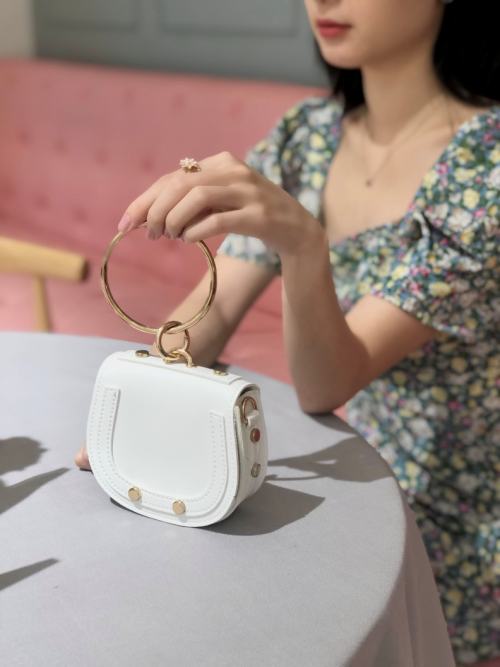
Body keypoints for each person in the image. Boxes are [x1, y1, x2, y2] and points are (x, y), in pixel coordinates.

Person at [76, 0, 500, 663]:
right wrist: (137, 400)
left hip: (455, 520)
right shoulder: (308, 135)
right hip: (353, 469)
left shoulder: (487, 166)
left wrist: (304, 244)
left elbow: (328, 382)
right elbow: (214, 309)